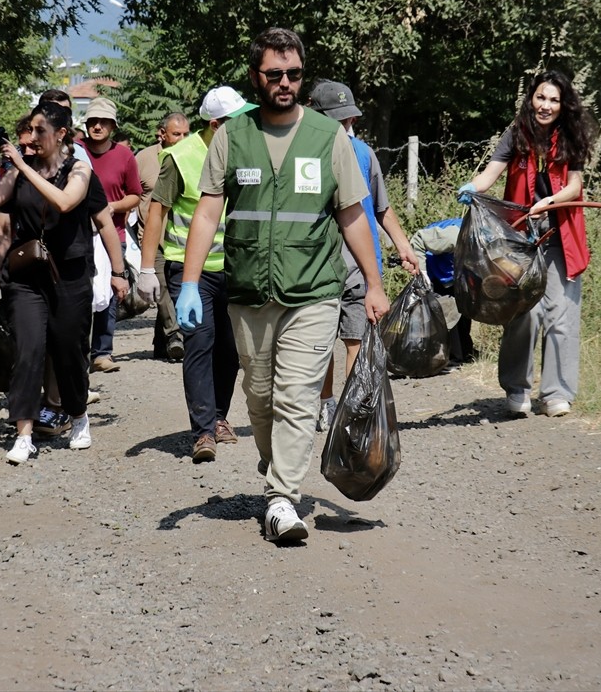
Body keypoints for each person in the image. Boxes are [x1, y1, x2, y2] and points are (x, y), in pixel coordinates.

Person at [177, 28, 389, 543]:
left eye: (294, 74)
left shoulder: (328, 136)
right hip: (248, 292)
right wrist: (187, 283)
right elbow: (207, 213)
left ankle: (281, 500)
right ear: (256, 77)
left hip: (314, 291)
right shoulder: (233, 135)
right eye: (275, 74)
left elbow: (352, 215)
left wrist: (375, 283)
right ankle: (277, 466)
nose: (286, 83)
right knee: (260, 396)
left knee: (298, 397)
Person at [0, 102, 127, 464]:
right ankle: (24, 433)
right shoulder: (17, 171)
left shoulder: (79, 171)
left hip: (71, 277)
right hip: (27, 279)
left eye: (40, 130)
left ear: (60, 134)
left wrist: (119, 273)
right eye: (29, 129)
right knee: (27, 350)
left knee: (68, 351)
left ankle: (77, 416)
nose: (31, 138)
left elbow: (66, 203)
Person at [459, 69, 593, 418]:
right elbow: (491, 173)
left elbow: (575, 187)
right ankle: (517, 389)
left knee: (560, 317)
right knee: (525, 313)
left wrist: (549, 203)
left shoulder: (572, 136)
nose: (546, 106)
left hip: (561, 237)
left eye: (553, 100)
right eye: (540, 98)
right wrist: (474, 188)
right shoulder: (516, 134)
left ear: (563, 106)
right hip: (519, 240)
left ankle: (555, 394)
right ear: (531, 99)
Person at [138, 88, 250, 463]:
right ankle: (203, 430)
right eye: (236, 121)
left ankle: (220, 417)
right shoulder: (181, 158)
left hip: (235, 269)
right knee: (200, 344)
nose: (246, 125)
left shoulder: (247, 153)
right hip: (190, 271)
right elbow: (158, 211)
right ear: (216, 125)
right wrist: (145, 268)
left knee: (230, 350)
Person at [308, 80, 420, 430]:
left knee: (356, 336)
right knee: (322, 342)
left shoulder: (364, 154)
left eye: (349, 121)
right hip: (319, 266)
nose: (345, 128)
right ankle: (324, 403)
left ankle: (350, 405)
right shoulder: (307, 156)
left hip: (360, 266)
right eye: (337, 122)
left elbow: (382, 208)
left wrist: (403, 246)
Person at [81, 96, 140, 374]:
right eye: (93, 121)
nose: (97, 126)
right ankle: (78, 349)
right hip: (79, 233)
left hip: (112, 232)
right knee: (80, 291)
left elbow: (135, 196)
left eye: (103, 122)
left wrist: (110, 207)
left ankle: (102, 352)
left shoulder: (124, 156)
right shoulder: (76, 151)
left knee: (111, 289)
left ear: (112, 126)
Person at [135, 112, 190, 361]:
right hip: (151, 235)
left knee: (172, 286)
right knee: (162, 286)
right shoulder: (144, 158)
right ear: (162, 134)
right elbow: (132, 192)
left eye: (185, 134)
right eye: (176, 134)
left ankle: (161, 342)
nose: (181, 139)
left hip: (181, 236)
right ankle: (175, 336)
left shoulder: (193, 157)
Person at [410, 217, 475, 365]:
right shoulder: (456, 235)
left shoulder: (488, 239)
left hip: (456, 270)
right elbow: (418, 239)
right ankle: (452, 358)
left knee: (465, 309)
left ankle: (465, 354)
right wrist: (422, 274)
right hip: (435, 266)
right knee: (448, 311)